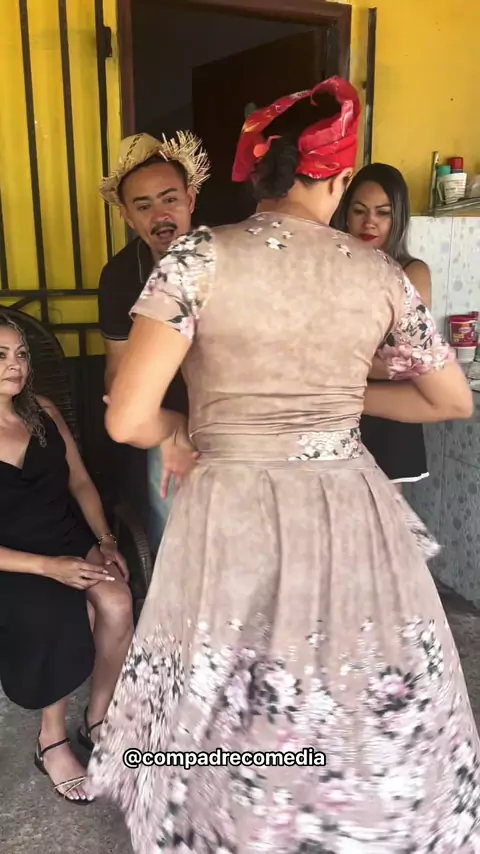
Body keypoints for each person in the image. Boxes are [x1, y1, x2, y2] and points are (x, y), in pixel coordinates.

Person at [89, 79, 479, 852]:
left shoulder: (199, 257)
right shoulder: (379, 273)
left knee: (232, 675)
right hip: (347, 500)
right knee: (346, 672)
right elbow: (449, 401)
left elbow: (128, 418)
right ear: (337, 178)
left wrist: (192, 424)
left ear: (258, 173)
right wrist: (332, 400)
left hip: (230, 498)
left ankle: (241, 821)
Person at [0, 314, 133, 803]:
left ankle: (97, 717)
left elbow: (78, 480)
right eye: (0, 356)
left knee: (117, 602)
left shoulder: (43, 411)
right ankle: (50, 738)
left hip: (64, 535)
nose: (15, 365)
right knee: (59, 610)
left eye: (20, 354)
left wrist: (105, 539)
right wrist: (47, 567)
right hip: (14, 558)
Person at [98, 132, 209, 552]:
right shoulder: (120, 275)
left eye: (170, 199)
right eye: (143, 206)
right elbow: (117, 369)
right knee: (171, 521)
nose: (160, 215)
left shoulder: (228, 255)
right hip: (164, 419)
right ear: (127, 216)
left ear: (190, 199)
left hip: (234, 415)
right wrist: (163, 432)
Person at [333, 163, 432, 488]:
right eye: (359, 210)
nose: (369, 222)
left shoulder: (413, 272)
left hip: (390, 414)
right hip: (336, 412)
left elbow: (409, 360)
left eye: (383, 212)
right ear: (346, 215)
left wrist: (337, 363)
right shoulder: (332, 268)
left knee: (387, 514)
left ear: (398, 218)